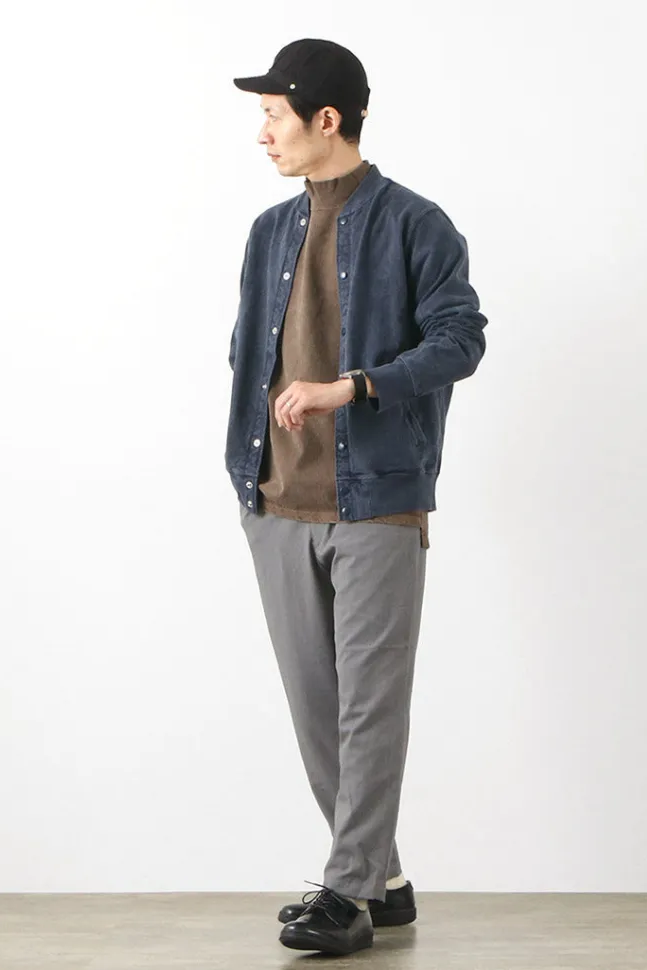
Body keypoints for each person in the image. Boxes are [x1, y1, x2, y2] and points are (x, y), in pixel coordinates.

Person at [226, 38, 488, 956]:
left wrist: (355, 386)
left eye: (274, 114)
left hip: (376, 499)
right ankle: (386, 883)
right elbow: (246, 353)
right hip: (276, 500)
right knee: (318, 712)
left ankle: (345, 893)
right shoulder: (268, 231)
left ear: (325, 118)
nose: (263, 132)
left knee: (369, 707)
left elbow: (461, 341)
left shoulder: (418, 225)